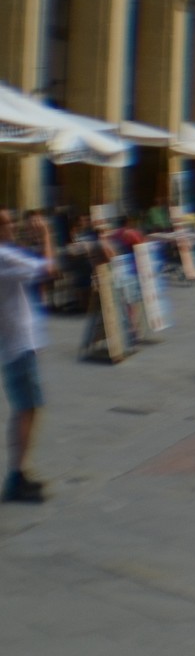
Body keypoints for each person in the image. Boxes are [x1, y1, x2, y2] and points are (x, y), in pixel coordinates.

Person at [1, 211, 58, 503]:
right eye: (8, 223)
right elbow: (49, 268)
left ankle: (18, 472)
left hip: (14, 344)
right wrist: (46, 234)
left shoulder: (7, 255)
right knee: (27, 408)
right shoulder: (4, 256)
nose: (13, 227)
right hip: (19, 345)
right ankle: (15, 476)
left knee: (27, 408)